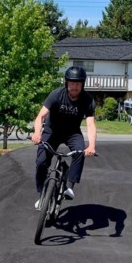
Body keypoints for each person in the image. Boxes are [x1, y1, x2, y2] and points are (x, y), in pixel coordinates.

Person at [31, 66, 97, 210]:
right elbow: (40, 116)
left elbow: (90, 124)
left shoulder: (87, 100)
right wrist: (37, 133)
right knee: (41, 162)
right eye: (72, 83)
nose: (74, 87)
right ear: (66, 83)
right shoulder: (56, 95)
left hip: (72, 132)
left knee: (80, 152)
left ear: (82, 84)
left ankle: (69, 186)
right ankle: (42, 195)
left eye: (78, 84)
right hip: (52, 131)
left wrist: (91, 145)